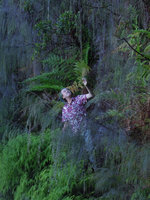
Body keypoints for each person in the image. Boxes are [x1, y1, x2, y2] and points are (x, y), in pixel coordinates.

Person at [61, 78, 96, 170]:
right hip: (75, 133)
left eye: (67, 90)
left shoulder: (78, 99)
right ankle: (84, 170)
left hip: (85, 129)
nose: (67, 91)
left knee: (90, 149)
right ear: (63, 97)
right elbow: (66, 123)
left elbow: (91, 95)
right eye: (64, 91)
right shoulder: (64, 109)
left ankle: (96, 169)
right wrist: (62, 134)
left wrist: (86, 85)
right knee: (79, 152)